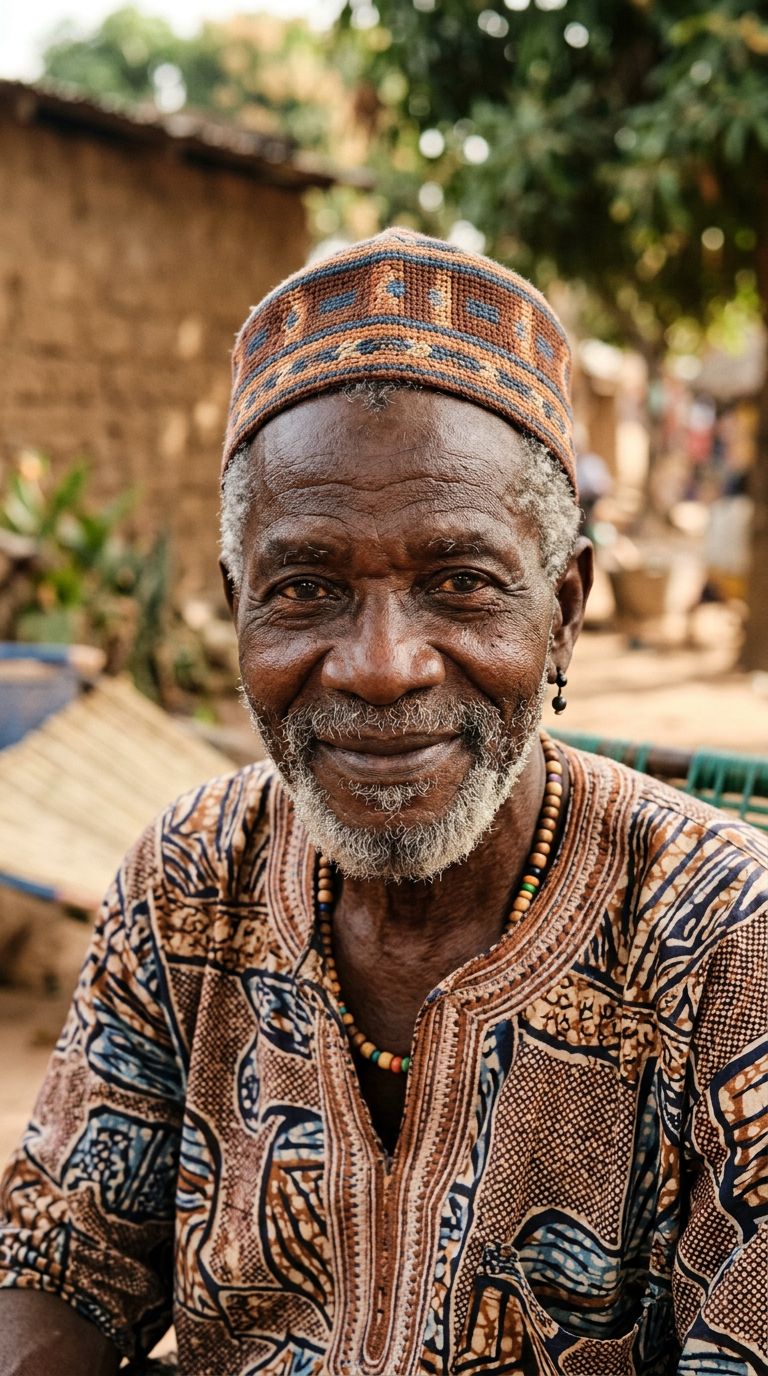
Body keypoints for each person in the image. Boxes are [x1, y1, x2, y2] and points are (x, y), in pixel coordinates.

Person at [0, 229, 766, 1376]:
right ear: (239, 605)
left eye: (460, 581)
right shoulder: (191, 874)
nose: (379, 666)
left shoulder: (726, 941)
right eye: (306, 587)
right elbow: (58, 1263)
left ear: (564, 608)